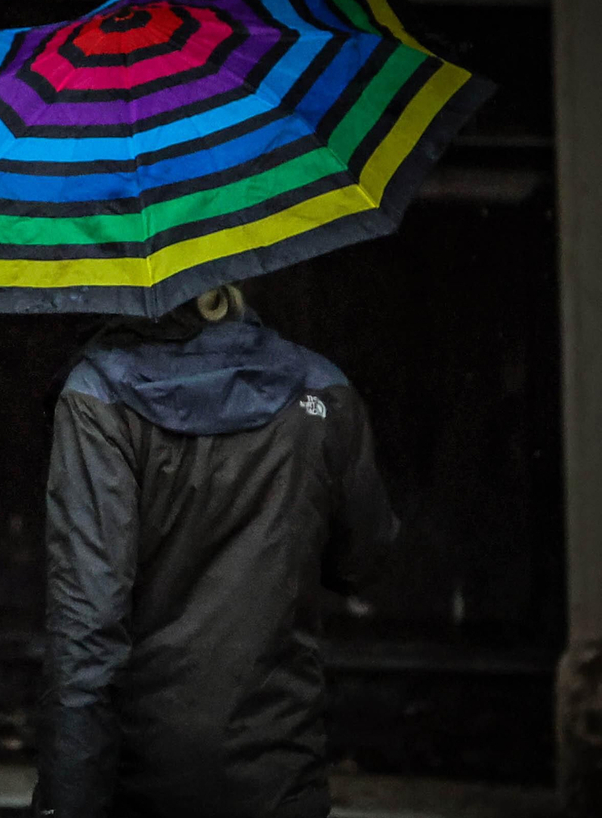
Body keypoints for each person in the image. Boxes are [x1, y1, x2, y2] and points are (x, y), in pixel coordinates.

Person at [36, 285, 397, 818]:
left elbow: (86, 628)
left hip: (143, 781)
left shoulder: (97, 395)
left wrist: (67, 803)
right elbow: (363, 559)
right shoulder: (321, 387)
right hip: (281, 772)